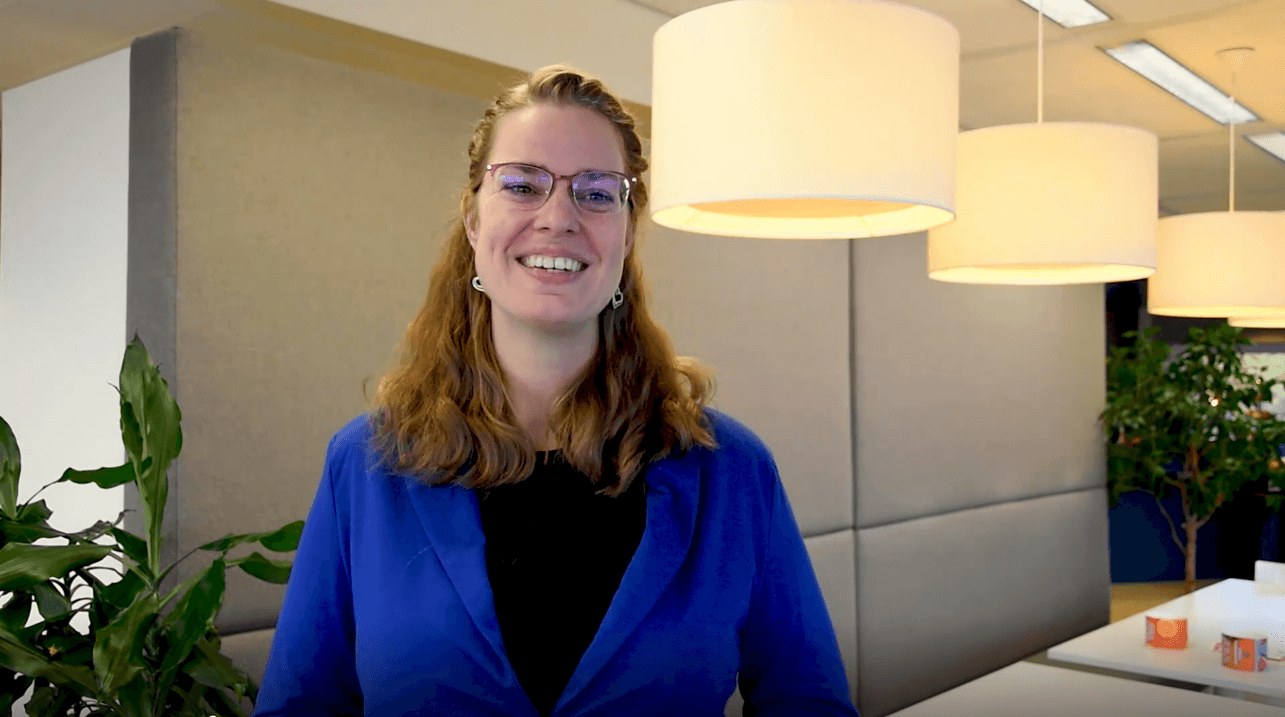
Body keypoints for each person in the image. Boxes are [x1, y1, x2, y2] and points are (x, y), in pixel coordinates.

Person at [252, 64, 858, 717]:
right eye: (521, 184)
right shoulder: (364, 464)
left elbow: (808, 701)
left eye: (597, 193)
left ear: (627, 234)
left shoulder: (730, 470)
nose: (558, 216)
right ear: (473, 220)